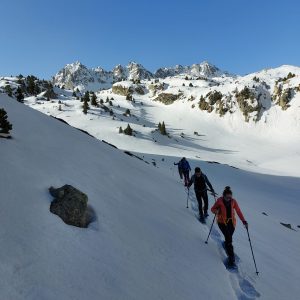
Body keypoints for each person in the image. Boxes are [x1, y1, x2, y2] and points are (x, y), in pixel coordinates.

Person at [211, 186, 248, 267]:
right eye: (227, 197)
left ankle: (226, 244)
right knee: (229, 238)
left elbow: (238, 211)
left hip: (231, 223)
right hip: (222, 222)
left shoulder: (233, 201)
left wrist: (243, 221)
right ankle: (231, 259)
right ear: (224, 196)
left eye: (230, 197)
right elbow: (212, 209)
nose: (229, 199)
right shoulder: (219, 201)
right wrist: (216, 211)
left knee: (229, 237)